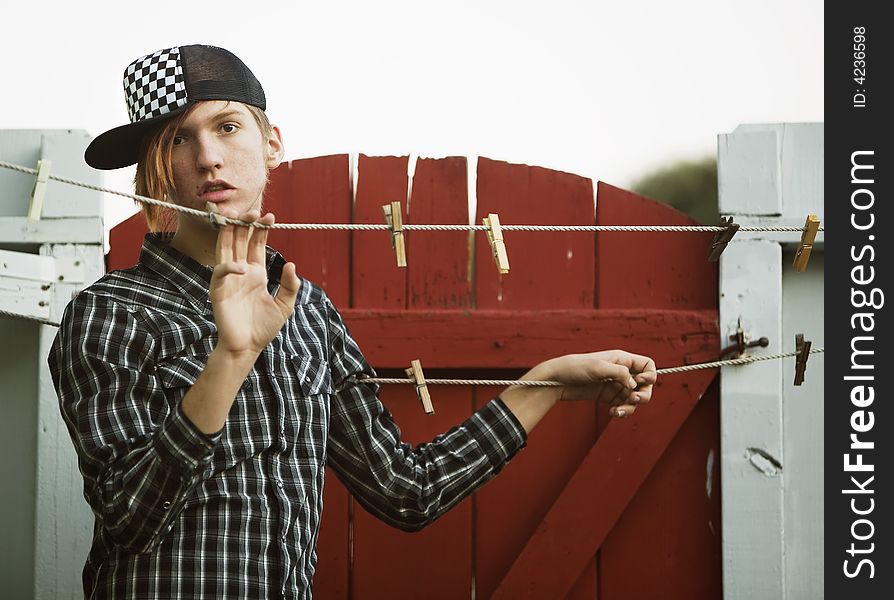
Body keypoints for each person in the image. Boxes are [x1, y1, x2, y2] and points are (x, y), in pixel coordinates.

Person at [49, 44, 657, 599]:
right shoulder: (109, 314)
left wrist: (544, 382)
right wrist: (229, 360)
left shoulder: (306, 312)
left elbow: (404, 489)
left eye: (227, 127)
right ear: (154, 166)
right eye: (180, 139)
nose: (208, 158)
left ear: (271, 143)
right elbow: (128, 518)